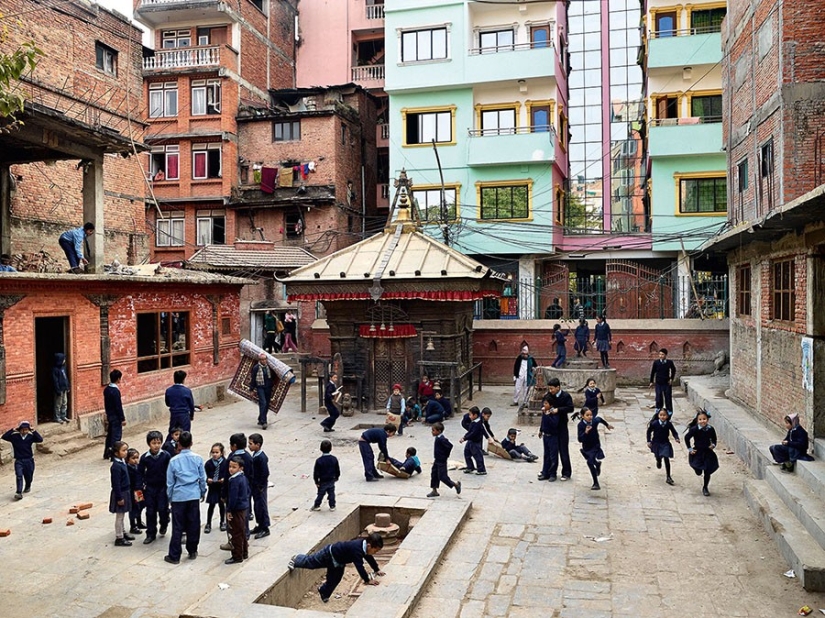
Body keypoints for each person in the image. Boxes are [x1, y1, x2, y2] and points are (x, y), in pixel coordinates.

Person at [288, 533, 386, 604]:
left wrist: (376, 569)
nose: (375, 553)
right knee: (312, 562)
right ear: (369, 546)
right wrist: (367, 580)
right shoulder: (357, 549)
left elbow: (369, 558)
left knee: (335, 579)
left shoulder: (364, 547)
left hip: (338, 561)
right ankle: (296, 559)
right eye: (375, 550)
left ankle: (324, 592)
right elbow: (359, 567)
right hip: (328, 554)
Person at [164, 431, 207, 564]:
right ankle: (192, 550)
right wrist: (202, 492)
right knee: (193, 523)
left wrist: (170, 497)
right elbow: (202, 478)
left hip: (178, 496)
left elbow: (170, 482)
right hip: (193, 495)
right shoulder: (198, 458)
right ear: (191, 443)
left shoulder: (173, 461)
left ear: (179, 444)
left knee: (178, 526)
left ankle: (174, 555)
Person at [538, 377, 574, 482]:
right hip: (550, 427)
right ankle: (548, 472)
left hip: (561, 426)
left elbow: (570, 408)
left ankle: (566, 472)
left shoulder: (565, 396)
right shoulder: (548, 396)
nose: (551, 390)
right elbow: (544, 406)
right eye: (549, 388)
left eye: (552, 388)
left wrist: (559, 410)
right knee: (549, 452)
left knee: (563, 450)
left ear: (558, 387)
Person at [139, 430, 171, 544]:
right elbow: (140, 473)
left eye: (158, 443)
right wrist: (139, 487)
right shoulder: (144, 458)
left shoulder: (166, 456)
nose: (156, 445)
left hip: (163, 487)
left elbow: (170, 471)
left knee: (163, 509)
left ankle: (164, 523)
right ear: (149, 444)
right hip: (150, 488)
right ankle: (150, 533)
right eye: (154, 443)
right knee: (150, 511)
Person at [2, 420, 43, 500]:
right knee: (19, 476)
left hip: (29, 460)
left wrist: (34, 431)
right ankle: (19, 492)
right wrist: (12, 430)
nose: (24, 431)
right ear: (19, 429)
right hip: (19, 460)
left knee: (29, 476)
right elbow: (4, 437)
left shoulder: (30, 437)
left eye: (26, 430)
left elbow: (40, 439)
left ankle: (28, 485)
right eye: (22, 430)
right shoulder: (15, 437)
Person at [577, 407, 614, 491]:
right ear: (582, 416)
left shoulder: (594, 422)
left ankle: (596, 483)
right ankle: (597, 464)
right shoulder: (581, 425)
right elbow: (580, 439)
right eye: (587, 415)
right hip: (586, 446)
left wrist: (607, 425)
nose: (590, 417)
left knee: (589, 462)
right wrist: (585, 432)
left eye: (591, 415)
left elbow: (599, 419)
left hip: (595, 445)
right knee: (590, 459)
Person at [684, 409, 719, 496]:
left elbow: (714, 439)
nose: (702, 421)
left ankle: (705, 487)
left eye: (704, 419)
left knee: (707, 470)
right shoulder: (694, 429)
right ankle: (698, 470)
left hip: (707, 452)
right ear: (697, 420)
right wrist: (690, 449)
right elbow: (687, 438)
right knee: (697, 468)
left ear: (707, 419)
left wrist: (713, 445)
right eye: (700, 419)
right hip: (698, 452)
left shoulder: (710, 429)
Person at [224, 456, 251, 565]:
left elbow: (233, 497)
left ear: (241, 468)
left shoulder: (234, 480)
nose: (231, 469)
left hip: (236, 509)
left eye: (234, 467)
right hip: (243, 507)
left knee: (235, 533)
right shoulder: (243, 478)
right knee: (241, 531)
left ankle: (237, 556)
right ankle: (244, 552)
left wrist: (229, 510)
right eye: (230, 466)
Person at [427, 422, 462, 498]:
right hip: (437, 460)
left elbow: (450, 446)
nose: (432, 432)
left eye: (433, 430)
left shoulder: (442, 439)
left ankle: (455, 484)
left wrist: (445, 455)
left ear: (439, 431)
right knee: (434, 475)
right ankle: (434, 490)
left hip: (441, 461)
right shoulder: (438, 438)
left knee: (442, 477)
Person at [109, 441, 133, 547]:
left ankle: (123, 532)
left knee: (123, 515)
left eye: (126, 450)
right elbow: (116, 484)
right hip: (121, 493)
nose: (126, 452)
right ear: (116, 453)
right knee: (120, 516)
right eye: (123, 450)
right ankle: (119, 537)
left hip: (125, 491)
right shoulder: (116, 467)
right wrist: (119, 497)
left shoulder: (122, 462)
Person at [646, 409, 680, 486]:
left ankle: (668, 476)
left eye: (664, 415)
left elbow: (674, 432)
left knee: (666, 457)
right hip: (656, 443)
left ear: (667, 416)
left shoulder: (669, 424)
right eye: (661, 415)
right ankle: (658, 460)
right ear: (658, 416)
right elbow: (649, 431)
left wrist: (676, 438)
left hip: (665, 443)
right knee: (658, 456)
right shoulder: (654, 423)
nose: (662, 417)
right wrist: (648, 441)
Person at [248, 433, 270, 539]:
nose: (249, 446)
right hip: (255, 486)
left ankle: (265, 528)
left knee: (261, 506)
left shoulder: (261, 457)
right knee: (257, 506)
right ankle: (259, 525)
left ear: (258, 445)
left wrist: (261, 485)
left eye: (251, 444)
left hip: (259, 487)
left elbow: (265, 473)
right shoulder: (255, 455)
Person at [204, 442, 228, 534]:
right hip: (213, 487)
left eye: (217, 452)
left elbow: (228, 473)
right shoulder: (208, 463)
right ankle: (208, 523)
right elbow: (204, 474)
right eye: (213, 452)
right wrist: (207, 479)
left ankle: (222, 521)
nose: (214, 454)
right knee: (211, 505)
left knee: (222, 505)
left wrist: (224, 479)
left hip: (221, 487)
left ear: (221, 453)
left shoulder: (225, 463)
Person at [103, 369, 125, 461]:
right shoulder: (115, 391)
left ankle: (106, 453)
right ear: (118, 379)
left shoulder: (107, 389)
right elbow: (118, 406)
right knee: (116, 436)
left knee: (110, 435)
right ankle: (114, 455)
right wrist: (122, 418)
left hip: (109, 415)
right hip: (116, 416)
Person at [312, 439, 340, 511]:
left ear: (320, 449)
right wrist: (337, 477)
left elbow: (316, 472)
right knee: (331, 493)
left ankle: (317, 505)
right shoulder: (334, 459)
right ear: (331, 448)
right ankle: (332, 506)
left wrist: (316, 481)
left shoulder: (319, 461)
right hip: (331, 479)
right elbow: (337, 469)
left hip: (323, 481)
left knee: (321, 494)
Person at [165, 370, 195, 436]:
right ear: (183, 380)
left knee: (172, 433)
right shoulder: (187, 391)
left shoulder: (169, 390)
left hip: (174, 414)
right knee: (185, 434)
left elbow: (167, 403)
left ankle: (169, 442)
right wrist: (191, 415)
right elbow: (191, 405)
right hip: (184, 415)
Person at [249, 353, 274, 430]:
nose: (263, 361)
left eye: (264, 359)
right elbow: (253, 379)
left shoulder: (269, 367)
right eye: (262, 359)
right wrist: (251, 389)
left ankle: (260, 418)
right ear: (259, 360)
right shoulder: (256, 368)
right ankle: (264, 422)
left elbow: (272, 377)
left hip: (268, 387)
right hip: (260, 387)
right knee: (263, 403)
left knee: (267, 404)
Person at [649, 349, 677, 418]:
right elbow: (653, 372)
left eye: (662, 354)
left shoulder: (669, 362)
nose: (661, 356)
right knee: (659, 397)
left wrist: (671, 378)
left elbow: (673, 370)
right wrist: (651, 382)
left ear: (665, 355)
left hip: (667, 383)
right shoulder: (656, 362)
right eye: (660, 354)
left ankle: (669, 412)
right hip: (658, 383)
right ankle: (658, 412)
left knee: (668, 397)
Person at [460, 406, 486, 475]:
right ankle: (470, 467)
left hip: (475, 442)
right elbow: (470, 431)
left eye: (470, 415)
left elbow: (473, 433)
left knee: (477, 456)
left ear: (475, 415)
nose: (469, 416)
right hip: (470, 441)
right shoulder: (473, 422)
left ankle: (481, 469)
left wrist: (465, 438)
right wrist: (465, 436)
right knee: (467, 453)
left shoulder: (477, 423)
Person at [126, 447, 145, 535]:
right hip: (132, 491)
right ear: (127, 459)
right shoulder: (127, 469)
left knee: (140, 506)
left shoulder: (139, 467)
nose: (136, 460)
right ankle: (133, 526)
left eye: (137, 458)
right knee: (133, 508)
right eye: (133, 458)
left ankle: (139, 522)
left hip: (139, 491)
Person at [52, 352, 70, 424]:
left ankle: (63, 415)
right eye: (63, 359)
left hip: (64, 388)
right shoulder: (55, 370)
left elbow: (65, 378)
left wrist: (67, 386)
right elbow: (55, 381)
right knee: (58, 404)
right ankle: (57, 417)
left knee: (64, 402)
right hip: (59, 389)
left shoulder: (63, 368)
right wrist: (58, 390)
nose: (64, 360)